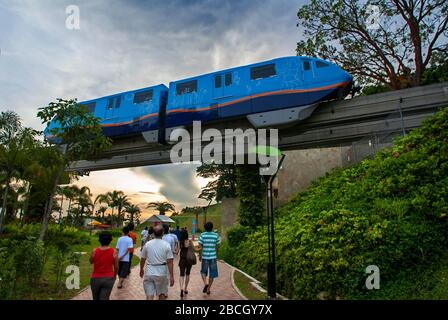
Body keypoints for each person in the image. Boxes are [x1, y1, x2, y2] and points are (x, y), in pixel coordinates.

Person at [140, 225, 175, 300]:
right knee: (162, 294)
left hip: (149, 272)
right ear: (162, 233)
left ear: (153, 233)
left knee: (149, 295)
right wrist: (171, 276)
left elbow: (142, 259)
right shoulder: (166, 245)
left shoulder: (148, 244)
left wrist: (141, 269)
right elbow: (170, 261)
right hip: (162, 272)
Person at [89, 231, 118, 300]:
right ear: (110, 240)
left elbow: (91, 261)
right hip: (108, 279)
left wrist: (92, 256)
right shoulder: (114, 251)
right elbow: (116, 267)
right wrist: (114, 276)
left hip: (95, 279)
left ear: (99, 240)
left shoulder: (95, 251)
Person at [198, 221, 221, 295]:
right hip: (213, 257)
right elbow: (217, 246)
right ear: (212, 227)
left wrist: (200, 255)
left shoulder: (202, 235)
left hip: (204, 257)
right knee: (212, 274)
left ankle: (205, 283)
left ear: (205, 228)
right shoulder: (216, 235)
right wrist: (216, 254)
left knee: (203, 272)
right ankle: (208, 289)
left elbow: (200, 247)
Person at [178, 229, 193, 298]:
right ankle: (185, 288)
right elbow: (193, 249)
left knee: (181, 275)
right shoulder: (189, 241)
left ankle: (181, 288)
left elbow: (177, 251)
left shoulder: (180, 242)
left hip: (182, 259)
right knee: (187, 274)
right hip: (189, 259)